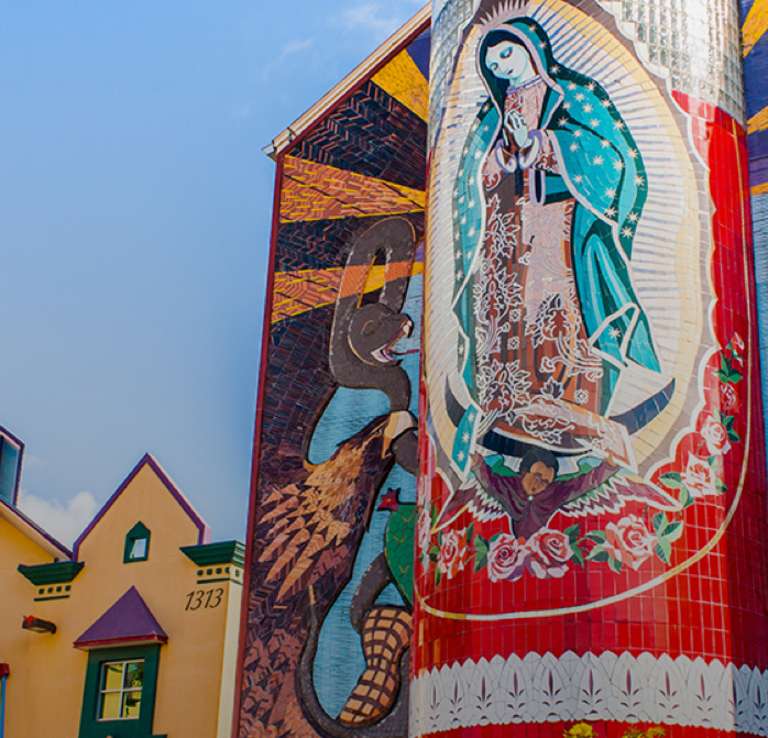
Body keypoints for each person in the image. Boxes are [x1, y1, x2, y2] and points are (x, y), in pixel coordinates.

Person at [449, 16, 661, 475]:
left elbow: (612, 160)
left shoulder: (575, 96)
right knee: (507, 313)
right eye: (493, 64)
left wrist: (543, 143)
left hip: (557, 226)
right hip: (504, 232)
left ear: (533, 48)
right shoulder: (491, 114)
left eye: (508, 54)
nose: (503, 67)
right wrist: (503, 155)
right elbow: (473, 178)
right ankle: (507, 406)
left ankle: (567, 412)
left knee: (555, 307)